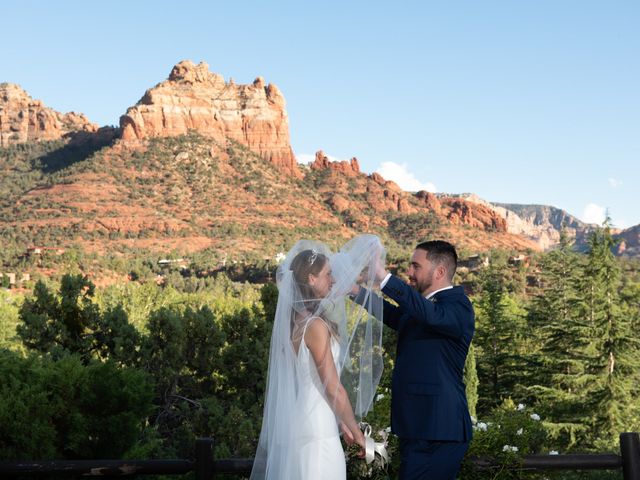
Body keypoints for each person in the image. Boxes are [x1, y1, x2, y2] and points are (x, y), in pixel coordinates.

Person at [250, 236, 385, 480]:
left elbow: (309, 379)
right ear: (311, 279)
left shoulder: (296, 322)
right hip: (318, 431)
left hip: (305, 420)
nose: (333, 279)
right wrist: (358, 435)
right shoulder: (315, 326)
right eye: (328, 274)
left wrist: (341, 423)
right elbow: (333, 387)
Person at [353, 240, 475, 480]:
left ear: (439, 272)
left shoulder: (458, 306)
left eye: (415, 266)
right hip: (417, 427)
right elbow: (392, 314)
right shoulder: (422, 309)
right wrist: (355, 292)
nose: (409, 272)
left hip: (439, 430)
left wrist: (382, 276)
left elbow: (429, 316)